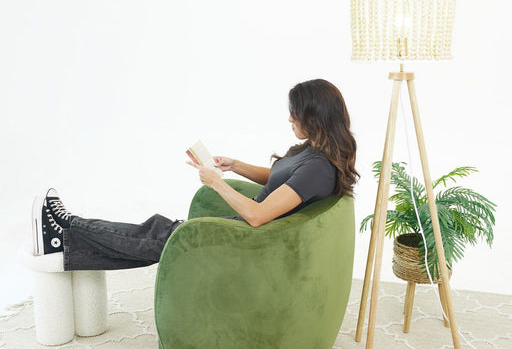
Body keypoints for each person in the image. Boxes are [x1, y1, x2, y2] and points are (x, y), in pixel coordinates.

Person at [31, 79, 359, 271]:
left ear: (314, 116)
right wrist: (235, 165)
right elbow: (282, 179)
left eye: (295, 113)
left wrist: (216, 183)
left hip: (247, 239)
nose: (290, 119)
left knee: (157, 235)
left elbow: (258, 216)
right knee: (156, 239)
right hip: (243, 230)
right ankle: (63, 238)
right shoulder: (315, 151)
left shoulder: (318, 169)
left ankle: (68, 226)